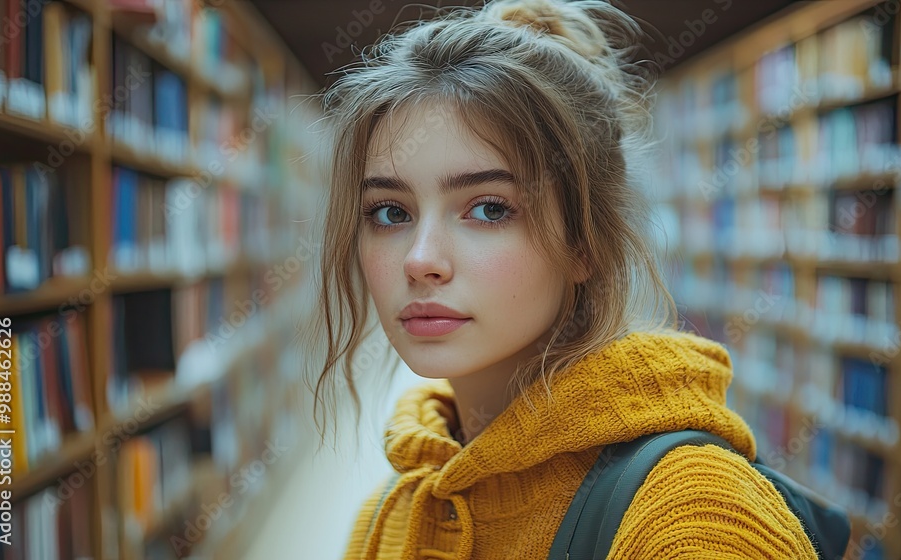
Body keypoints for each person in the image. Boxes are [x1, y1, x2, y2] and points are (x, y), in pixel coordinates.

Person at [310, 0, 819, 558]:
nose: (420, 258)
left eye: (488, 208)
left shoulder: (694, 517)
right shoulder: (396, 509)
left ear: (586, 244)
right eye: (390, 212)